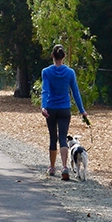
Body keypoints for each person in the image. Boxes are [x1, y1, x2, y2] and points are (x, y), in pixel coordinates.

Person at [40, 44, 88, 180]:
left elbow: (45, 90)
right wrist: (82, 111)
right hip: (64, 108)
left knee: (52, 138)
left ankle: (52, 166)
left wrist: (43, 106)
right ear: (64, 56)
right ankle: (65, 167)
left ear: (52, 56)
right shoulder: (70, 72)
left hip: (51, 108)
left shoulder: (46, 72)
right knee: (63, 138)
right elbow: (75, 93)